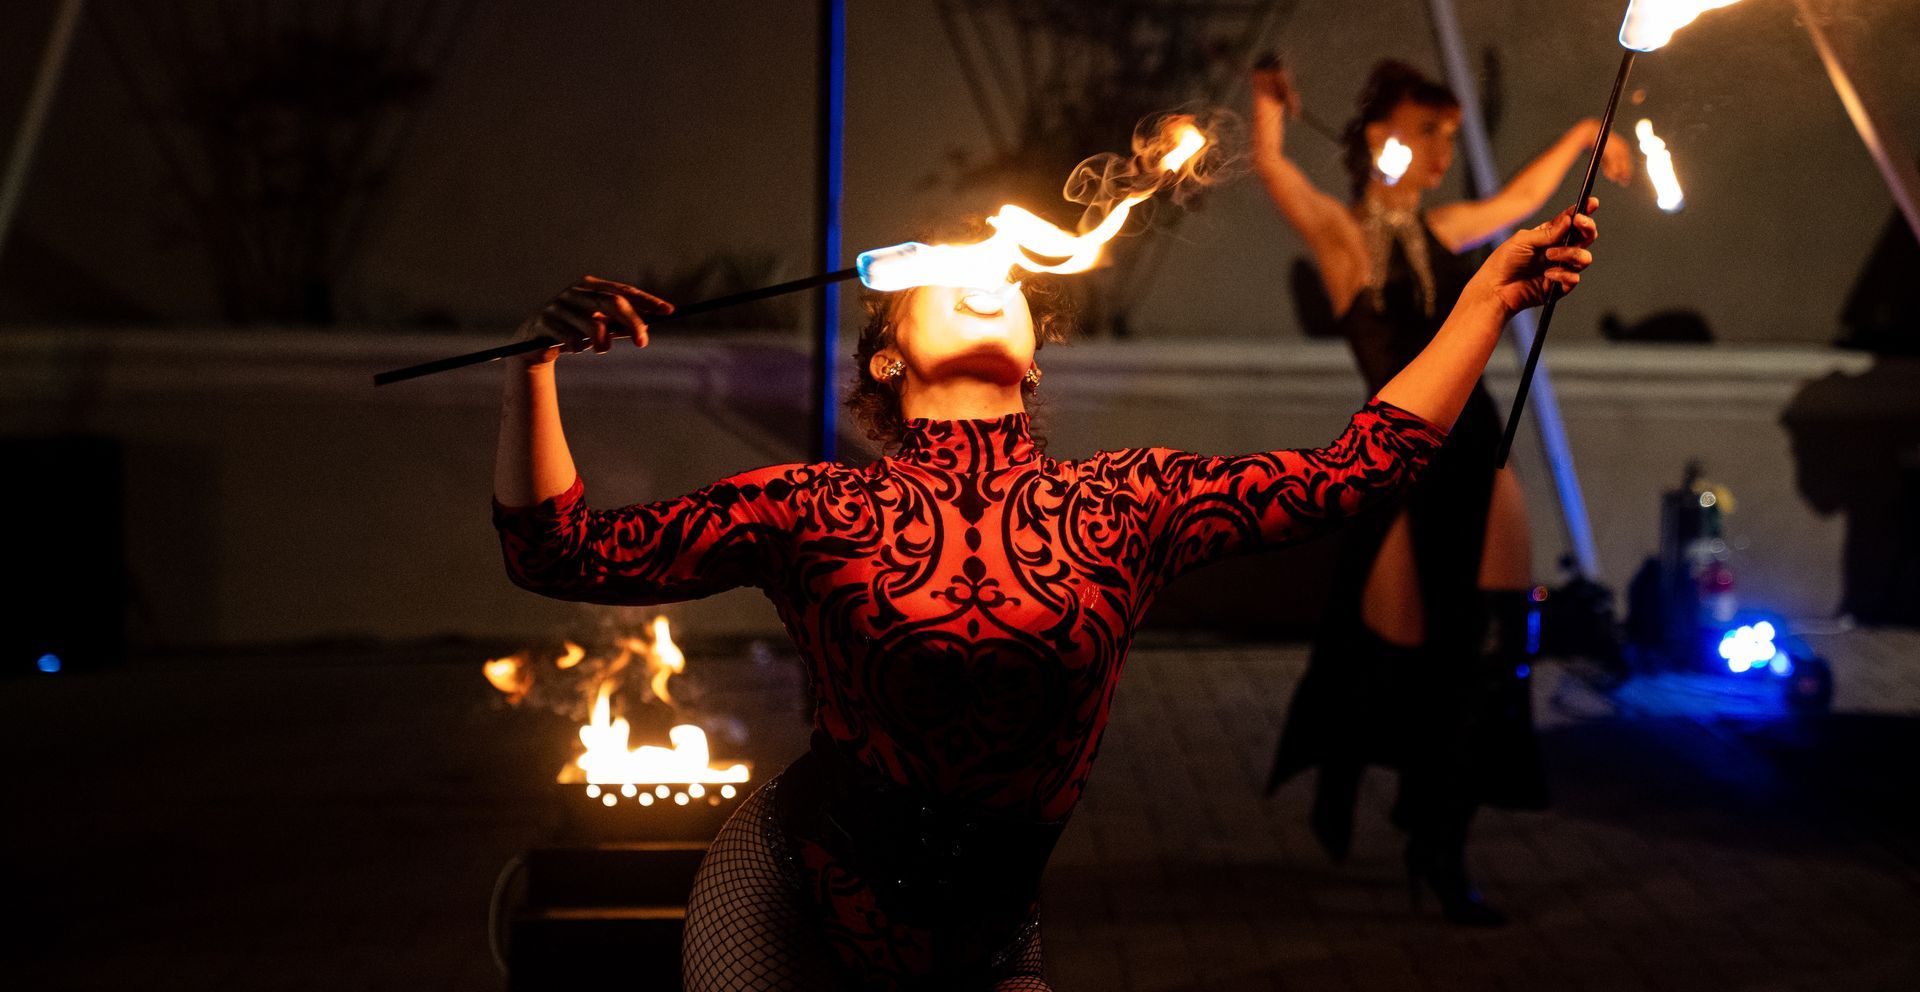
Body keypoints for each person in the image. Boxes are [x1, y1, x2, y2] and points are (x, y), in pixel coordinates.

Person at [491, 145, 1599, 987]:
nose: (989, 275)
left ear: (1033, 356)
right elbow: (558, 551)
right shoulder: (812, 507)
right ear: (888, 357)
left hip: (987, 932)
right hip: (790, 893)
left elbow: (1360, 467)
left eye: (1009, 278)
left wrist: (1486, 300)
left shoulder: (1130, 503)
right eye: (945, 276)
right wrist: (531, 367)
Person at [1250, 57, 1628, 925]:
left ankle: (1440, 842)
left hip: (1478, 447)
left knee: (1492, 651)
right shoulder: (1342, 237)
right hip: (1396, 460)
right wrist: (1268, 104)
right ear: (1381, 134)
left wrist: (1583, 135)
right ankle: (1351, 769)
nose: (1440, 153)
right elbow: (1272, 167)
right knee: (1392, 651)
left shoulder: (1448, 228)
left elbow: (1517, 203)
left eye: (1449, 138)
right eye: (1428, 133)